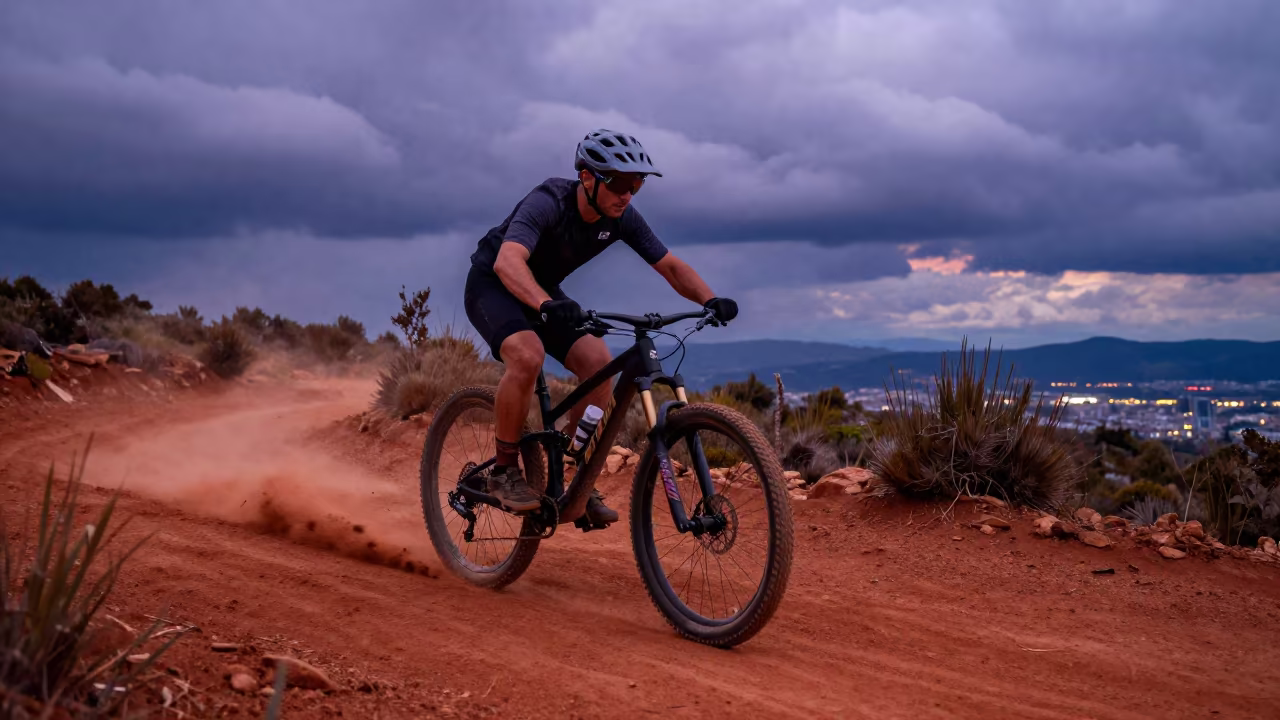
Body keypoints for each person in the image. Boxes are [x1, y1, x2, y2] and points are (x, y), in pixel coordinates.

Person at [463, 128, 738, 526]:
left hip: (543, 291)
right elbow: (508, 262)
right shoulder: (549, 201)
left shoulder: (623, 217)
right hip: (493, 283)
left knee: (598, 363)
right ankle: (504, 470)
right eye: (620, 182)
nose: (627, 194)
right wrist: (545, 304)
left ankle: (575, 482)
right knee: (527, 356)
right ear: (588, 177)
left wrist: (709, 300)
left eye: (637, 184)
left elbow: (671, 266)